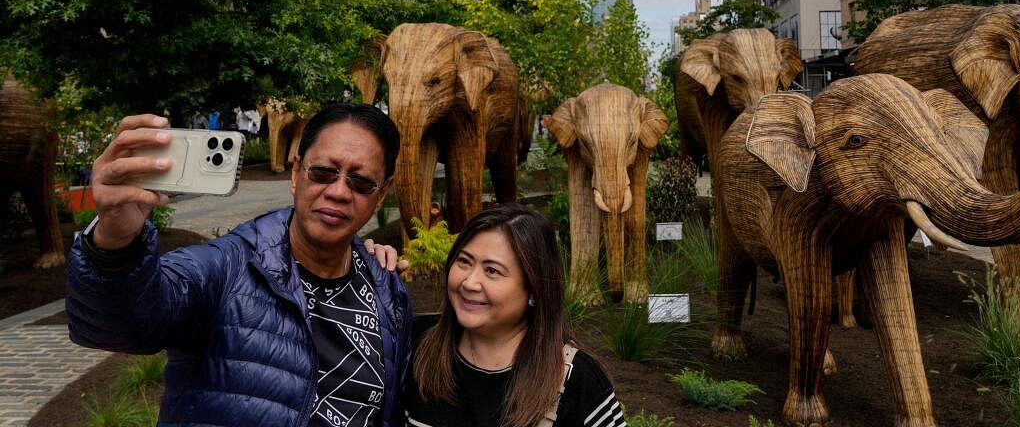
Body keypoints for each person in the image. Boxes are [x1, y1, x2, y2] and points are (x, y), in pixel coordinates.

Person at [67, 103, 412, 427]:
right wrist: (114, 244)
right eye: (322, 172)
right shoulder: (224, 269)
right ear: (296, 172)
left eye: (361, 182)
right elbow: (118, 325)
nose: (338, 191)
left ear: (382, 194)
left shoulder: (388, 290)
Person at [405, 203, 626, 427]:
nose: (470, 282)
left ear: (533, 289)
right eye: (464, 261)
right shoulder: (419, 351)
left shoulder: (576, 380)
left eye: (492, 271)